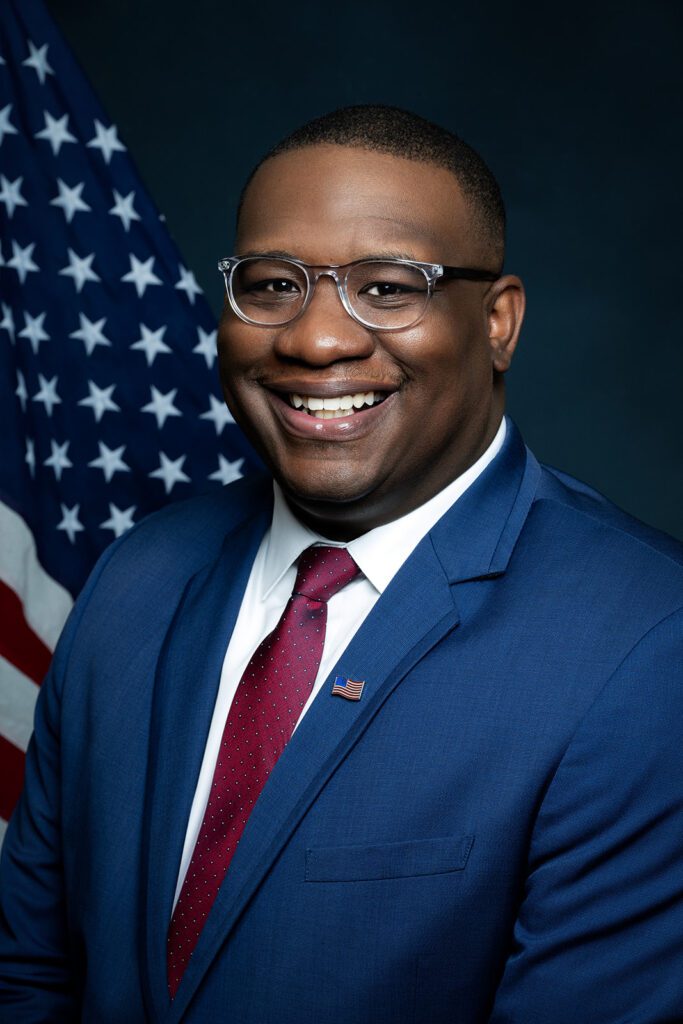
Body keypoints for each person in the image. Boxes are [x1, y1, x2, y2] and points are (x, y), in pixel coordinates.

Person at [1, 105, 682, 1024]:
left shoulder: (647, 644)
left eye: (389, 288)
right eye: (273, 284)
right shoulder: (138, 578)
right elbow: (29, 973)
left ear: (497, 322)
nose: (316, 339)